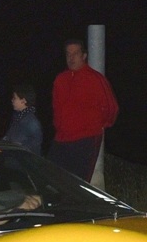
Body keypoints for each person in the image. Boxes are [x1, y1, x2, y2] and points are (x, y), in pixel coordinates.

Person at [50, 39, 118, 181]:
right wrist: (59, 125)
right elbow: (56, 107)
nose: (71, 58)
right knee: (53, 179)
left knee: (78, 183)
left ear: (84, 55)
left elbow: (111, 107)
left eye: (75, 53)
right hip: (62, 138)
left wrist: (97, 125)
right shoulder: (60, 79)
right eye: (68, 54)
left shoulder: (95, 79)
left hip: (85, 139)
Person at [3, 83, 43, 155]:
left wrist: (19, 146)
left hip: (23, 163)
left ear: (23, 101)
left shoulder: (31, 121)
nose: (12, 100)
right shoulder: (18, 117)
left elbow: (36, 141)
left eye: (14, 98)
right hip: (13, 161)